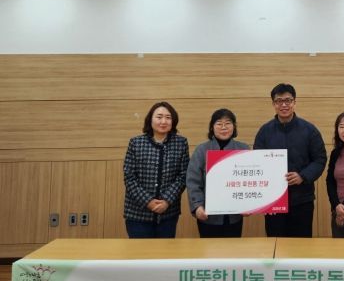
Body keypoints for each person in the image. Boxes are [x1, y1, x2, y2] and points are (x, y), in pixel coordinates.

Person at [254, 83, 327, 237]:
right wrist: (265, 199)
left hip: (302, 199)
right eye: (279, 101)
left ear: (294, 102)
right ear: (273, 104)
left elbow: (320, 159)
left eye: (288, 100)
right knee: (275, 244)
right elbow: (258, 163)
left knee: (301, 246)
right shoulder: (264, 131)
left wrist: (303, 176)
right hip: (273, 201)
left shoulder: (309, 130)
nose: (284, 105)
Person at [123, 101, 189, 238]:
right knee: (139, 251)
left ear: (173, 121)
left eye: (168, 117)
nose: (163, 121)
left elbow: (183, 176)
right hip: (137, 213)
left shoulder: (181, 143)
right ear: (150, 120)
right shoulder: (136, 143)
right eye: (159, 117)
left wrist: (166, 201)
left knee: (165, 251)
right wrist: (148, 201)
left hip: (168, 213)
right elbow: (129, 177)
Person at [186, 109, 250, 238]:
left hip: (234, 216)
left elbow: (249, 180)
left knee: (233, 249)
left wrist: (248, 205)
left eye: (228, 123)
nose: (224, 127)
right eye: (219, 124)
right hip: (208, 216)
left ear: (234, 126)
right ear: (212, 127)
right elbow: (193, 182)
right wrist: (197, 206)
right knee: (209, 249)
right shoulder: (201, 150)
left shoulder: (243, 149)